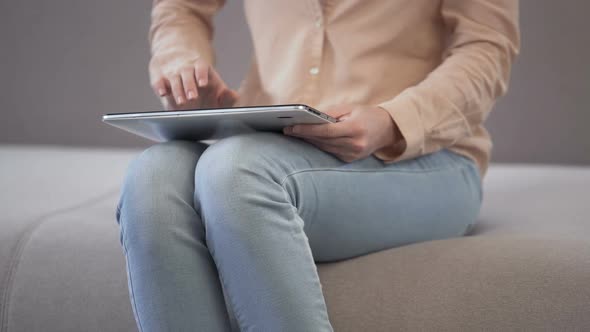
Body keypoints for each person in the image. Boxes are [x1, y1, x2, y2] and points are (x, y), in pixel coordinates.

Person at [116, 0, 520, 331]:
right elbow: (180, 8)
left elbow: (486, 48)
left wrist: (392, 119)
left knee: (236, 176)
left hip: (425, 158)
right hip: (270, 144)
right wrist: (181, 61)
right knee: (152, 180)